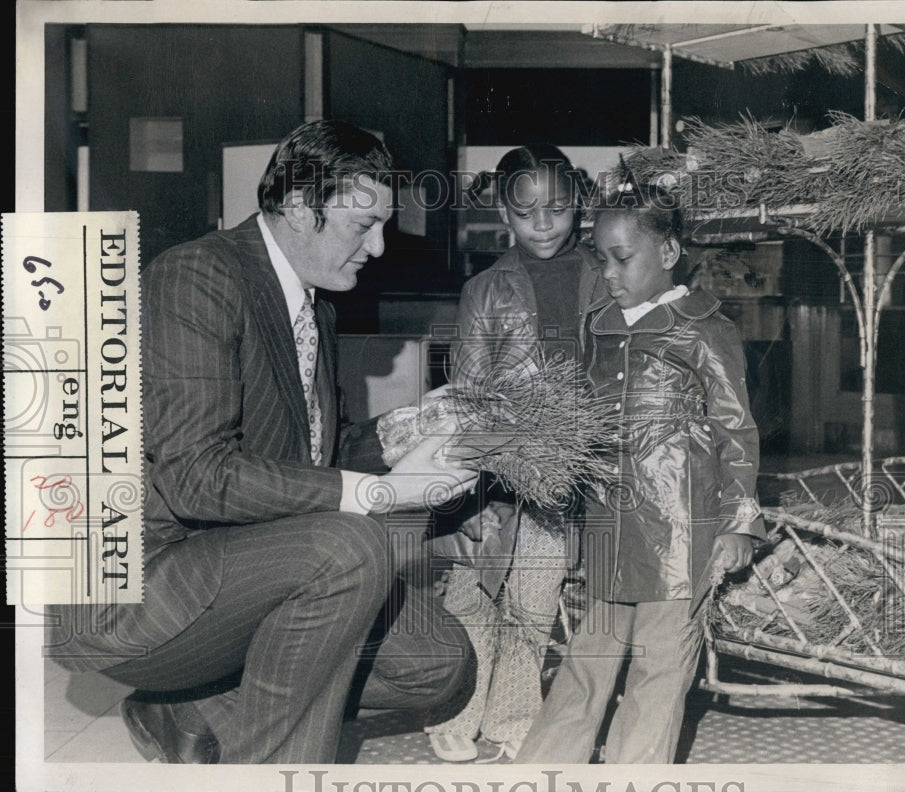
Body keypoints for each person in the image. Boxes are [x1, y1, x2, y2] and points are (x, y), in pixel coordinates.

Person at [44, 120, 477, 764]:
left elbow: (304, 459)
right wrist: (382, 493)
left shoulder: (314, 304)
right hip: (141, 585)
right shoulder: (197, 276)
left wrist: (400, 430)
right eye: (364, 226)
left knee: (441, 664)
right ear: (301, 209)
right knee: (352, 544)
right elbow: (196, 476)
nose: (380, 247)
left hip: (239, 562)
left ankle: (191, 703)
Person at [517, 183, 766, 764]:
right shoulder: (599, 326)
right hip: (610, 525)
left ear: (671, 252)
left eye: (622, 259)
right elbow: (582, 415)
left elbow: (738, 432)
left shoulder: (707, 330)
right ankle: (543, 769)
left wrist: (739, 524)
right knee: (586, 661)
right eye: (600, 259)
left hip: (683, 533)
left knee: (658, 673)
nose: (608, 272)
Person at [424, 144, 606, 762]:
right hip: (501, 460)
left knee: (533, 592)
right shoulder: (486, 287)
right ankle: (454, 710)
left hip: (571, 463)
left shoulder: (605, 273)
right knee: (476, 589)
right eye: (527, 212)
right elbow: (469, 391)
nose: (545, 223)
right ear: (504, 211)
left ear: (578, 201)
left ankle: (514, 715)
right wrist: (471, 481)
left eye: (557, 208)